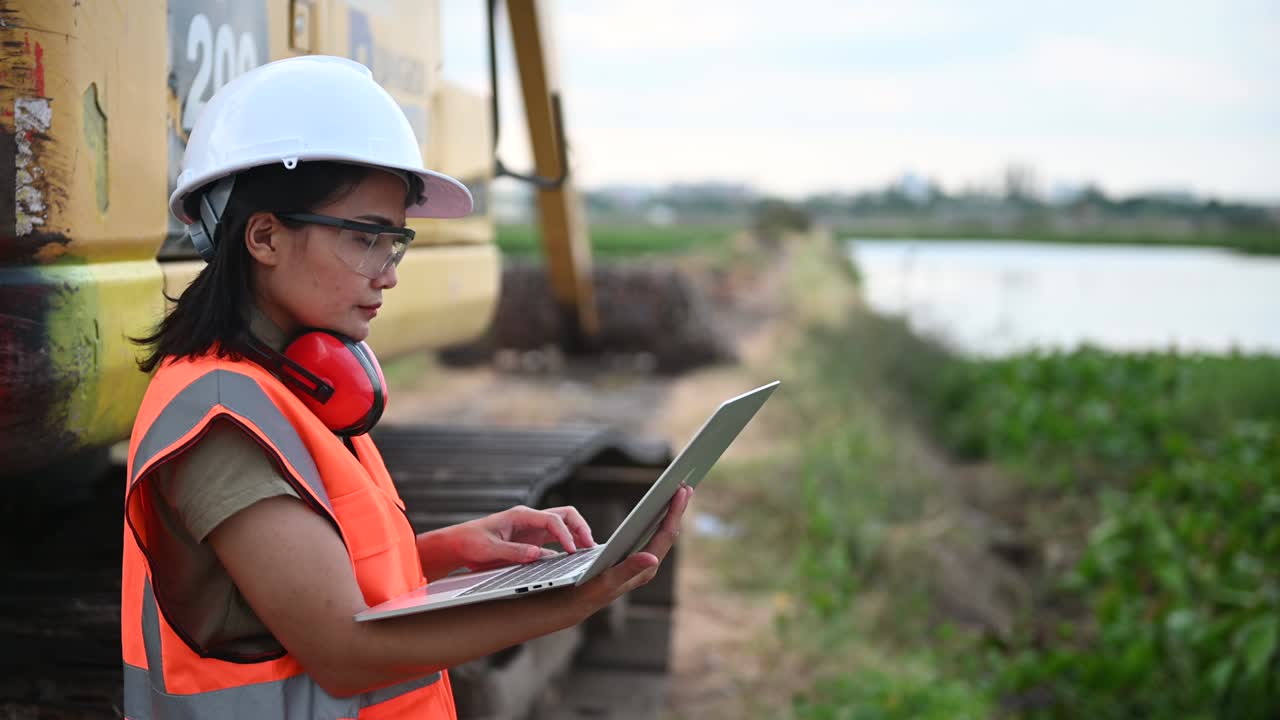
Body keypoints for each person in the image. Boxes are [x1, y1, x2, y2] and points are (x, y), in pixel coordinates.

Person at [121, 55, 689, 719]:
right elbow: (342, 650)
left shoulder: (285, 386)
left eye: (395, 243)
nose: (387, 274)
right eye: (366, 239)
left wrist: (454, 549)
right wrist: (569, 603)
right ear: (266, 236)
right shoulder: (220, 420)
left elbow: (300, 592)